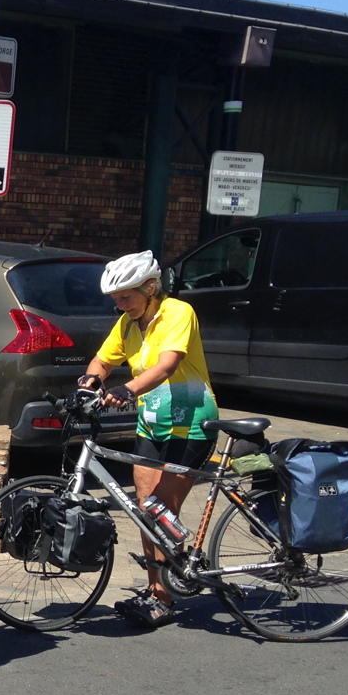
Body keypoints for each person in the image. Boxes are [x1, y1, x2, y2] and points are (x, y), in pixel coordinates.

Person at [79, 250, 218, 630]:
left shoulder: (177, 312)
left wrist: (127, 389)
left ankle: (166, 592)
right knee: (145, 510)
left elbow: (167, 364)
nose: (120, 304)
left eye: (126, 296)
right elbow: (103, 360)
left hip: (191, 422)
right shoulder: (128, 324)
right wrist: (92, 379)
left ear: (151, 287)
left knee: (162, 510)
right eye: (116, 299)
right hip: (153, 421)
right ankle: (158, 589)